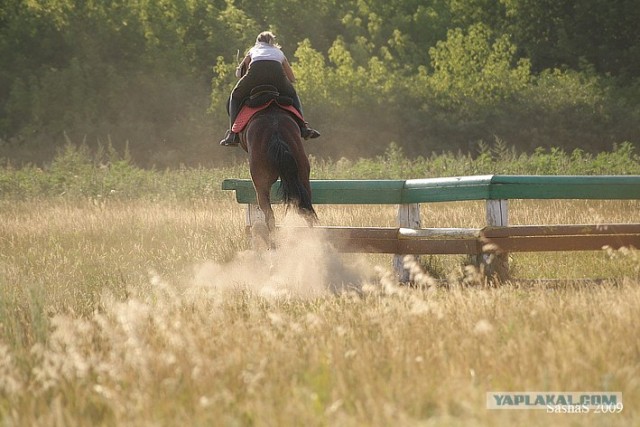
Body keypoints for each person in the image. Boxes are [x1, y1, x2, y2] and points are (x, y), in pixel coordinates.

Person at [219, 31, 320, 146]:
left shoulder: (253, 50)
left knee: (235, 96)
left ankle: (232, 134)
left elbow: (239, 73)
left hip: (255, 75)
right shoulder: (279, 52)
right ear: (272, 42)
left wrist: (241, 71)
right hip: (277, 76)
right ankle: (304, 128)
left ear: (258, 41)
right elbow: (292, 78)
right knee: (293, 94)